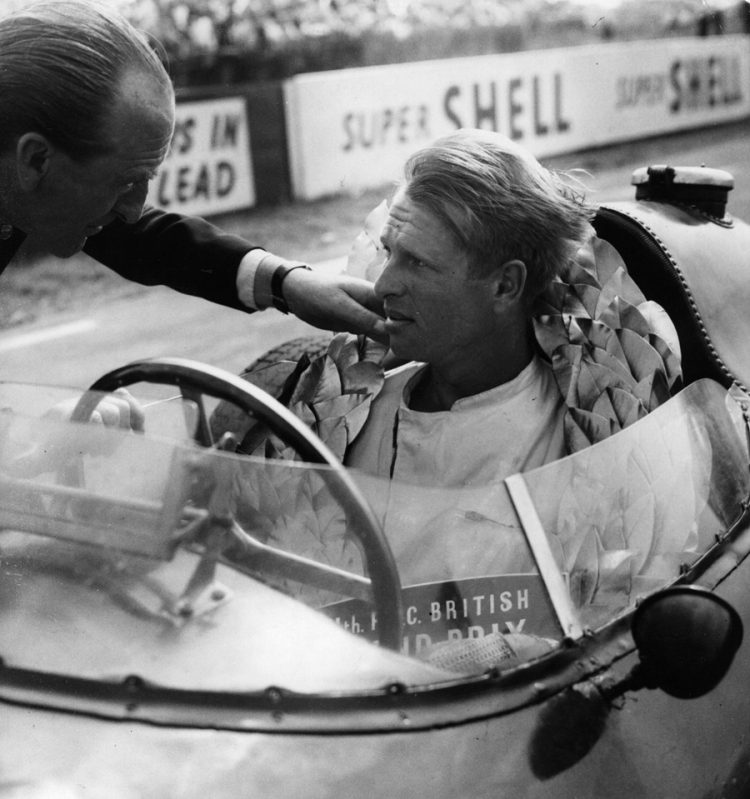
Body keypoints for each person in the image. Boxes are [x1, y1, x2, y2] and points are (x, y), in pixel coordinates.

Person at [0, 0, 386, 349]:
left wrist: (288, 282)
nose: (135, 210)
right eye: (125, 183)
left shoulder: (41, 183)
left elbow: (147, 240)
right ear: (35, 160)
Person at [341, 129, 592, 585]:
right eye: (388, 253)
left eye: (418, 264)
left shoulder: (581, 444)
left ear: (505, 286)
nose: (383, 286)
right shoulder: (350, 412)